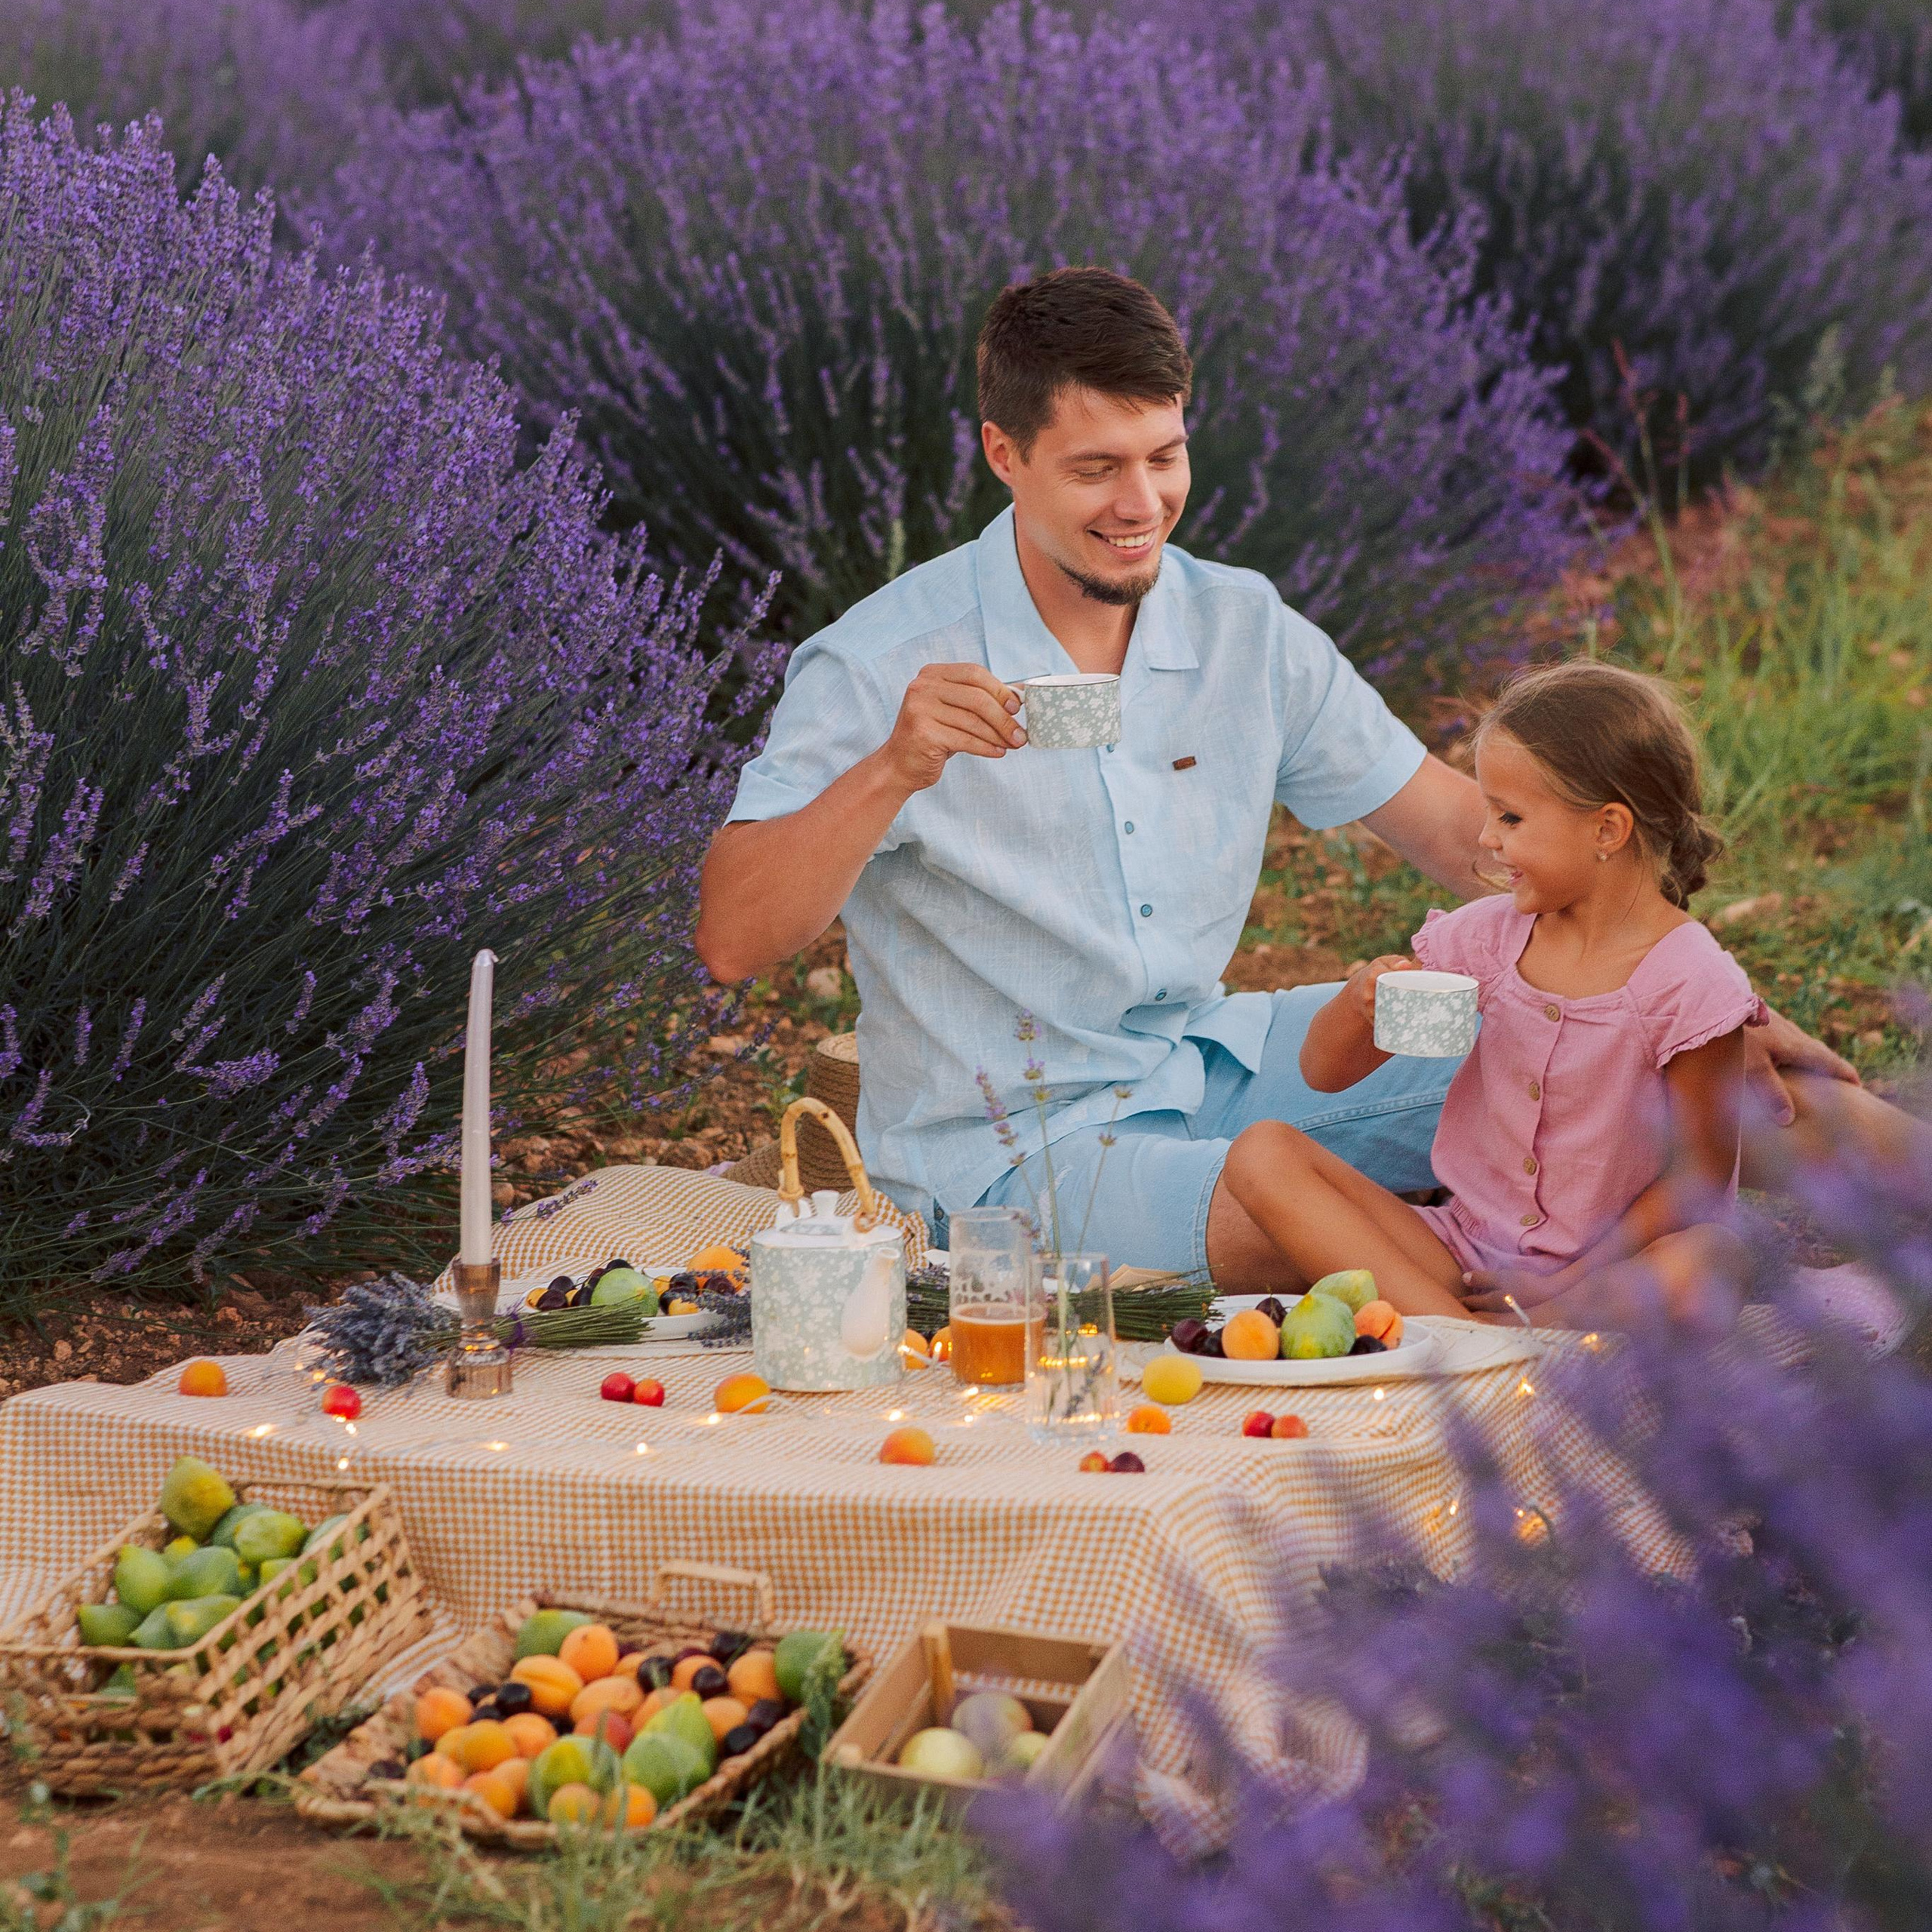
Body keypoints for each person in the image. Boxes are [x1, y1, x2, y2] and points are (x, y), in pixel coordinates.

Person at [695, 266, 1878, 1296]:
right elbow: (736, 939)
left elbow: (1468, 831)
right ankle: (1527, 1310)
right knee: (1296, 1220)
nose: (1140, 505)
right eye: (1095, 469)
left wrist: (1698, 1000)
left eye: (1165, 458)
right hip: (1013, 1150)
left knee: (1680, 1072)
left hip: (1222, 1050)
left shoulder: (1240, 626)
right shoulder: (878, 661)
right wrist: (896, 770)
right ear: (1004, 454)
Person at [1226, 661, 1759, 1327]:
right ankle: (1476, 1343)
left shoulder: (1691, 984)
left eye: (1510, 817)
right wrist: (1360, 1002)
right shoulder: (1487, 941)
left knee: (1711, 1257)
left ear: (1607, 830)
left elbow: (1701, 1180)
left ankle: (1465, 1336)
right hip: (1462, 1256)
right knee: (1262, 1152)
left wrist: (1567, 1286)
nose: (1486, 839)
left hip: (1605, 1273)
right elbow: (1325, 1075)